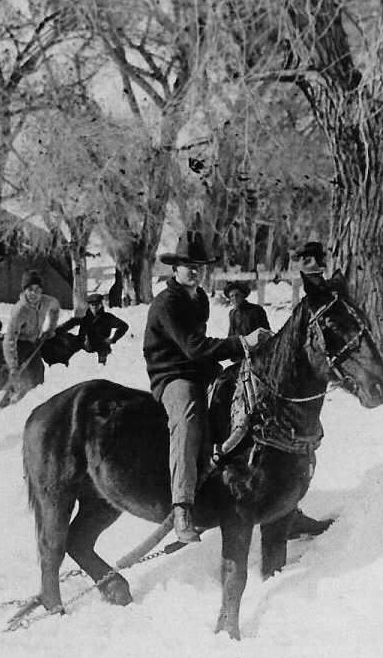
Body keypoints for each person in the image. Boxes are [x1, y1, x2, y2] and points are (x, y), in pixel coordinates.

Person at [145, 233, 270, 544]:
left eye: (199, 266)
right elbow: (194, 347)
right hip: (172, 373)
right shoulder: (167, 302)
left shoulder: (199, 297)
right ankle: (182, 506)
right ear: (175, 268)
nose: (195, 271)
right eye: (188, 265)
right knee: (187, 418)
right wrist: (242, 342)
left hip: (199, 369)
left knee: (246, 395)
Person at [2, 269, 61, 402]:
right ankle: (14, 404)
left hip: (34, 344)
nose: (34, 293)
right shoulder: (19, 311)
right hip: (18, 347)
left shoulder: (47, 301)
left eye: (37, 290)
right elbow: (9, 339)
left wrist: (51, 329)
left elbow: (55, 308)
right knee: (23, 382)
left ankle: (37, 403)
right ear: (24, 291)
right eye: (30, 290)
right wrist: (13, 366)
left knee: (38, 375)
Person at [55, 293, 130, 366]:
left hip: (100, 346)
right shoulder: (85, 318)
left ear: (101, 305)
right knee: (66, 338)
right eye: (92, 305)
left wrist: (113, 339)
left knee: (103, 358)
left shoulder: (107, 317)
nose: (94, 307)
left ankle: (102, 366)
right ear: (89, 306)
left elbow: (123, 326)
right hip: (84, 345)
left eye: (97, 305)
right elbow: (70, 323)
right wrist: (56, 331)